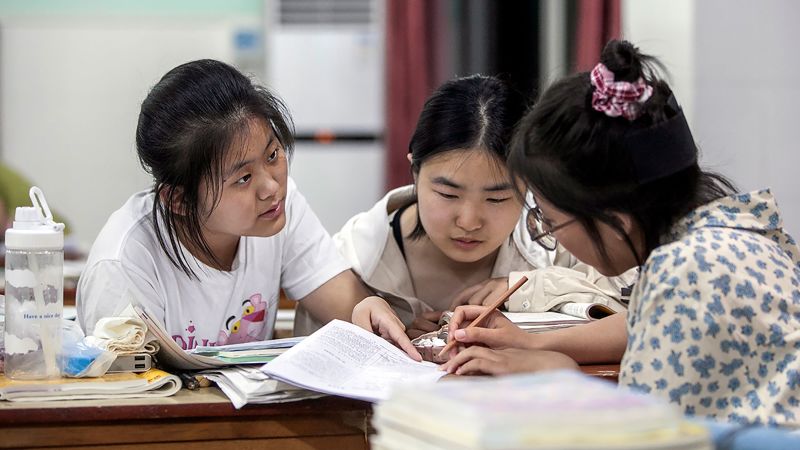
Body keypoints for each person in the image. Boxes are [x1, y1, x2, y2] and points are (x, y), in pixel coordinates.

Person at [442, 40, 800, 426]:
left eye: (549, 221)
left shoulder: (687, 269)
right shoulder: (727, 235)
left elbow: (646, 436)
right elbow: (642, 325)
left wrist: (560, 377)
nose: (551, 234)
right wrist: (532, 343)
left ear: (615, 221)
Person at [76, 59, 419, 359]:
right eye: (243, 178)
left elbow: (349, 306)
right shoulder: (124, 265)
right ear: (179, 200)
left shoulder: (279, 208)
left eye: (272, 155)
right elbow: (130, 394)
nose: (271, 187)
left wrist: (374, 313)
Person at [295, 74, 635, 338]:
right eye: (448, 194)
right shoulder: (346, 264)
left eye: (497, 198)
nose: (469, 221)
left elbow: (637, 307)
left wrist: (532, 289)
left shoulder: (561, 243)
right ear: (415, 171)